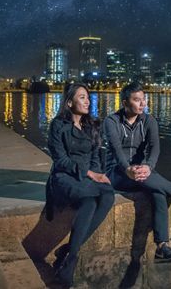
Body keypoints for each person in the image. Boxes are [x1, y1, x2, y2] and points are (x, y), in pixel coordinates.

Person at [102, 82, 171, 262]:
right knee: (156, 186)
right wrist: (127, 169)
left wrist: (148, 166)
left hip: (140, 172)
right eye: (137, 100)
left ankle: (162, 246)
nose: (142, 104)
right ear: (125, 102)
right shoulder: (111, 121)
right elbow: (116, 151)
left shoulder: (148, 120)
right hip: (115, 171)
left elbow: (155, 149)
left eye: (143, 99)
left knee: (158, 192)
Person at [46, 83, 115, 286]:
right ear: (69, 102)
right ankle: (70, 262)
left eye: (88, 97)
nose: (88, 101)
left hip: (87, 176)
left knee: (108, 196)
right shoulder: (58, 125)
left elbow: (95, 156)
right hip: (64, 177)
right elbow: (60, 160)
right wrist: (88, 173)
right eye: (82, 97)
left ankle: (67, 250)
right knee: (89, 202)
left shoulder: (91, 125)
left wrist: (97, 174)